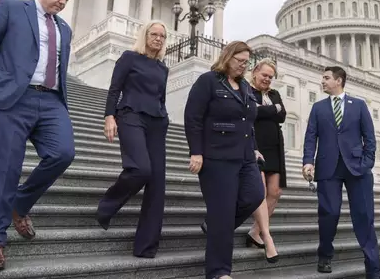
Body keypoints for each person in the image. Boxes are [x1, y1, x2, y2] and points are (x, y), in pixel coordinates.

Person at [0, 0, 76, 271]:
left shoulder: (64, 29)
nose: (63, 2)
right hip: (11, 99)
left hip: (51, 100)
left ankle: (19, 205)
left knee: (63, 153)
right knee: (5, 170)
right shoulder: (10, 8)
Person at [184, 41, 270, 279]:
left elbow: (247, 122)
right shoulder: (208, 81)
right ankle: (218, 272)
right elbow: (193, 118)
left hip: (244, 156)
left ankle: (216, 226)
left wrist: (254, 148)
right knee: (221, 214)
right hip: (217, 156)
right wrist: (196, 151)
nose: (243, 66)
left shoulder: (245, 87)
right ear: (227, 57)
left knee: (254, 195)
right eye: (239, 61)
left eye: (246, 62)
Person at [95, 21, 170, 258]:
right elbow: (114, 88)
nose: (158, 38)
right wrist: (109, 116)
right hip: (130, 116)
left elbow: (162, 98)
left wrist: (164, 118)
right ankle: (106, 206)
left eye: (162, 36)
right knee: (140, 169)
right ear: (145, 35)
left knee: (157, 185)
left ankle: (146, 247)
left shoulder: (163, 68)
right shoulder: (129, 57)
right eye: (154, 34)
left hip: (157, 122)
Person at [302, 66, 380, 278]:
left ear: (339, 80)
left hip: (358, 168)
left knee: (364, 216)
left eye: (326, 78)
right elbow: (311, 137)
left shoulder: (360, 105)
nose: (323, 81)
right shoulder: (318, 108)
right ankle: (325, 254)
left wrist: (367, 162)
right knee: (330, 213)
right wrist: (308, 161)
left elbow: (370, 137)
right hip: (328, 166)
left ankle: (373, 268)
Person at [245, 59, 284, 260]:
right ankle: (265, 236)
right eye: (264, 75)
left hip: (275, 146)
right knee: (260, 192)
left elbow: (283, 115)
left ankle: (254, 231)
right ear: (255, 72)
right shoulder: (246, 90)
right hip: (256, 144)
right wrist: (272, 110)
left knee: (275, 192)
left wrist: (267, 110)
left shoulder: (275, 94)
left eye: (271, 77)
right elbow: (252, 112)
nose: (267, 79)